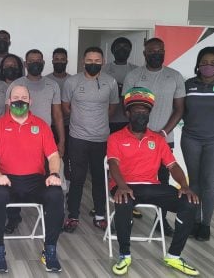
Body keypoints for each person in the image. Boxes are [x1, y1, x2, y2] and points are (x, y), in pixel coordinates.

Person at [108, 87, 199, 276]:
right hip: (124, 186)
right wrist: (122, 186)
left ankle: (174, 256)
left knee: (189, 202)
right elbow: (113, 164)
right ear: (127, 113)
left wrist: (184, 186)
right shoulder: (115, 138)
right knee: (123, 201)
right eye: (136, 111)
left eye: (145, 111)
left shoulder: (157, 140)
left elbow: (172, 166)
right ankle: (124, 255)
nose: (141, 114)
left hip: (152, 187)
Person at [0, 85, 64, 273]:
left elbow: (53, 155)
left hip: (35, 180)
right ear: (9, 101)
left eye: (24, 97)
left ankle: (50, 250)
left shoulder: (42, 125)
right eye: (15, 97)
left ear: (30, 101)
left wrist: (53, 174)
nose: (20, 100)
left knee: (56, 195)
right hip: (6, 179)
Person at [122, 37, 186, 236]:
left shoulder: (175, 76)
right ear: (144, 54)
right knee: (130, 176)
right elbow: (127, 108)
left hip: (164, 138)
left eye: (159, 50)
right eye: (151, 51)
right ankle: (125, 216)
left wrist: (164, 133)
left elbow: (179, 109)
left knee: (163, 181)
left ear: (164, 51)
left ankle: (161, 220)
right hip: (136, 139)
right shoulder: (134, 75)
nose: (156, 54)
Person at [5, 49, 64, 234]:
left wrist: (61, 140)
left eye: (38, 60)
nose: (35, 63)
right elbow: (8, 114)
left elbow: (57, 115)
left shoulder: (52, 85)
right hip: (18, 139)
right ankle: (13, 218)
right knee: (15, 179)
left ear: (44, 63)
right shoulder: (16, 84)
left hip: (44, 140)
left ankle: (50, 218)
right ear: (25, 64)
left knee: (49, 181)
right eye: (31, 61)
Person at [62, 46, 119, 233]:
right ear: (83, 61)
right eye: (89, 60)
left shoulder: (110, 82)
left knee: (99, 178)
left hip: (101, 138)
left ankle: (100, 215)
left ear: (102, 62)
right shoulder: (72, 82)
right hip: (77, 138)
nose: (93, 64)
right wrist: (82, 121)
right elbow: (66, 107)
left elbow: (112, 108)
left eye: (97, 61)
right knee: (77, 178)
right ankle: (72, 215)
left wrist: (98, 122)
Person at [101, 37, 142, 219]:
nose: (122, 49)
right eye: (119, 46)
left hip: (129, 122)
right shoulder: (104, 70)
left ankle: (130, 199)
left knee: (128, 163)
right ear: (113, 50)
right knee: (108, 163)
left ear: (131, 49)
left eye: (126, 46)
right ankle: (105, 200)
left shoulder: (135, 71)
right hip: (107, 121)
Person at [181, 46, 214, 241]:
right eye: (204, 62)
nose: (208, 66)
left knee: (209, 183)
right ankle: (193, 220)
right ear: (198, 64)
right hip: (191, 138)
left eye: (213, 63)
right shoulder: (189, 84)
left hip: (213, 141)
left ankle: (205, 224)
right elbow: (181, 109)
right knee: (193, 182)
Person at [45, 47, 71, 182]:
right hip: (49, 127)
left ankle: (66, 188)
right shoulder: (45, 81)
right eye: (57, 59)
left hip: (69, 127)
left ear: (67, 61)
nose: (59, 62)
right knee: (48, 158)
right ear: (52, 61)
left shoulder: (73, 80)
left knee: (66, 158)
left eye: (62, 59)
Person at [0, 54, 24, 123]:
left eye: (13, 66)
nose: (10, 68)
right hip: (2, 130)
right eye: (6, 66)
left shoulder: (25, 87)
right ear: (2, 70)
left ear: (18, 69)